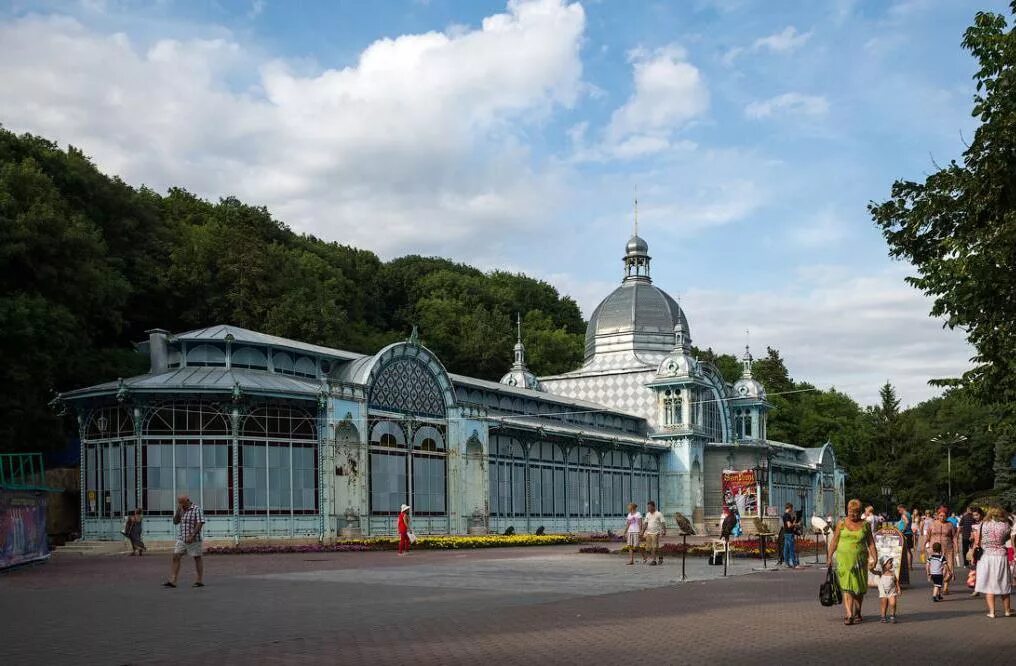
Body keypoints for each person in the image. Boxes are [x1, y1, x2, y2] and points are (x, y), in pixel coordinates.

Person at [829, 499, 878, 625]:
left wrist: (875, 557)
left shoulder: (865, 524)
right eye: (850, 511)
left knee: (859, 588)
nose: (852, 514)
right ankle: (849, 614)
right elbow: (834, 541)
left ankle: (858, 611)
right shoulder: (841, 523)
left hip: (860, 562)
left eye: (855, 512)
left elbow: (871, 543)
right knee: (847, 587)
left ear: (860, 512)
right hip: (844, 561)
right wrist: (829, 557)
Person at [972, 506, 1014, 618]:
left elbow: (978, 541)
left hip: (986, 556)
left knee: (989, 584)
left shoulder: (982, 525)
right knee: (1004, 583)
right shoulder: (1005, 525)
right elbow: (1006, 539)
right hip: (1001, 556)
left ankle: (992, 612)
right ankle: (1007, 610)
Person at [163, 495, 205, 588]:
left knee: (197, 557)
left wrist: (192, 535)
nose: (181, 505)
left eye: (182, 503)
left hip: (194, 539)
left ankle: (199, 580)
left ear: (187, 501)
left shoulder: (196, 509)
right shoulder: (181, 509)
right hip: (182, 538)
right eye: (179, 503)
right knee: (176, 556)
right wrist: (178, 512)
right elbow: (175, 522)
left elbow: (200, 523)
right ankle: (173, 580)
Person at [925, 507, 957, 594]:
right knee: (936, 567)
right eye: (940, 515)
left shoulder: (950, 525)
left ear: (947, 516)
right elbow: (927, 536)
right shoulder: (932, 524)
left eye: (944, 516)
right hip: (934, 548)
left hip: (948, 548)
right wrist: (925, 546)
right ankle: (937, 586)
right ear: (938, 515)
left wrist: (956, 547)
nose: (942, 517)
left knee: (949, 566)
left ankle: (946, 586)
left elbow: (954, 537)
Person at [641, 500, 666, 566]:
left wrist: (664, 531)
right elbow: (645, 524)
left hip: (656, 533)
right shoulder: (648, 514)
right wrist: (642, 532)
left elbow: (663, 523)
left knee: (654, 547)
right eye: (648, 507)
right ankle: (660, 557)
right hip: (649, 533)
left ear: (653, 507)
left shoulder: (658, 514)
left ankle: (654, 560)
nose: (648, 509)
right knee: (649, 547)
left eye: (649, 507)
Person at [878, 556, 901, 623]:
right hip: (883, 592)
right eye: (890, 563)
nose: (892, 564)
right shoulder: (881, 573)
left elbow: (896, 581)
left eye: (892, 563)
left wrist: (899, 589)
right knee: (884, 604)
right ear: (884, 565)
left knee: (893, 603)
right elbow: (873, 572)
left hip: (892, 591)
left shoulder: (892, 573)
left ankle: (892, 616)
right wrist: (871, 568)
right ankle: (883, 616)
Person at [896, 505, 912, 585]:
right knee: (909, 550)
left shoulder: (904, 514)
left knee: (906, 550)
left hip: (906, 533)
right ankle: (910, 565)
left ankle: (908, 565)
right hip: (909, 533)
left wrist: (903, 529)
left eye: (899, 510)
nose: (899, 512)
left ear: (902, 509)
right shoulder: (909, 514)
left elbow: (907, 522)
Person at [782, 503, 799, 569]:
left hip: (786, 533)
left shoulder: (784, 515)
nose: (792, 510)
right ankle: (795, 564)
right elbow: (789, 525)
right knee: (791, 549)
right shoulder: (787, 515)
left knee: (786, 549)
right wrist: (795, 524)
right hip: (789, 533)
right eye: (791, 508)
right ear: (789, 508)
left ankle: (787, 563)